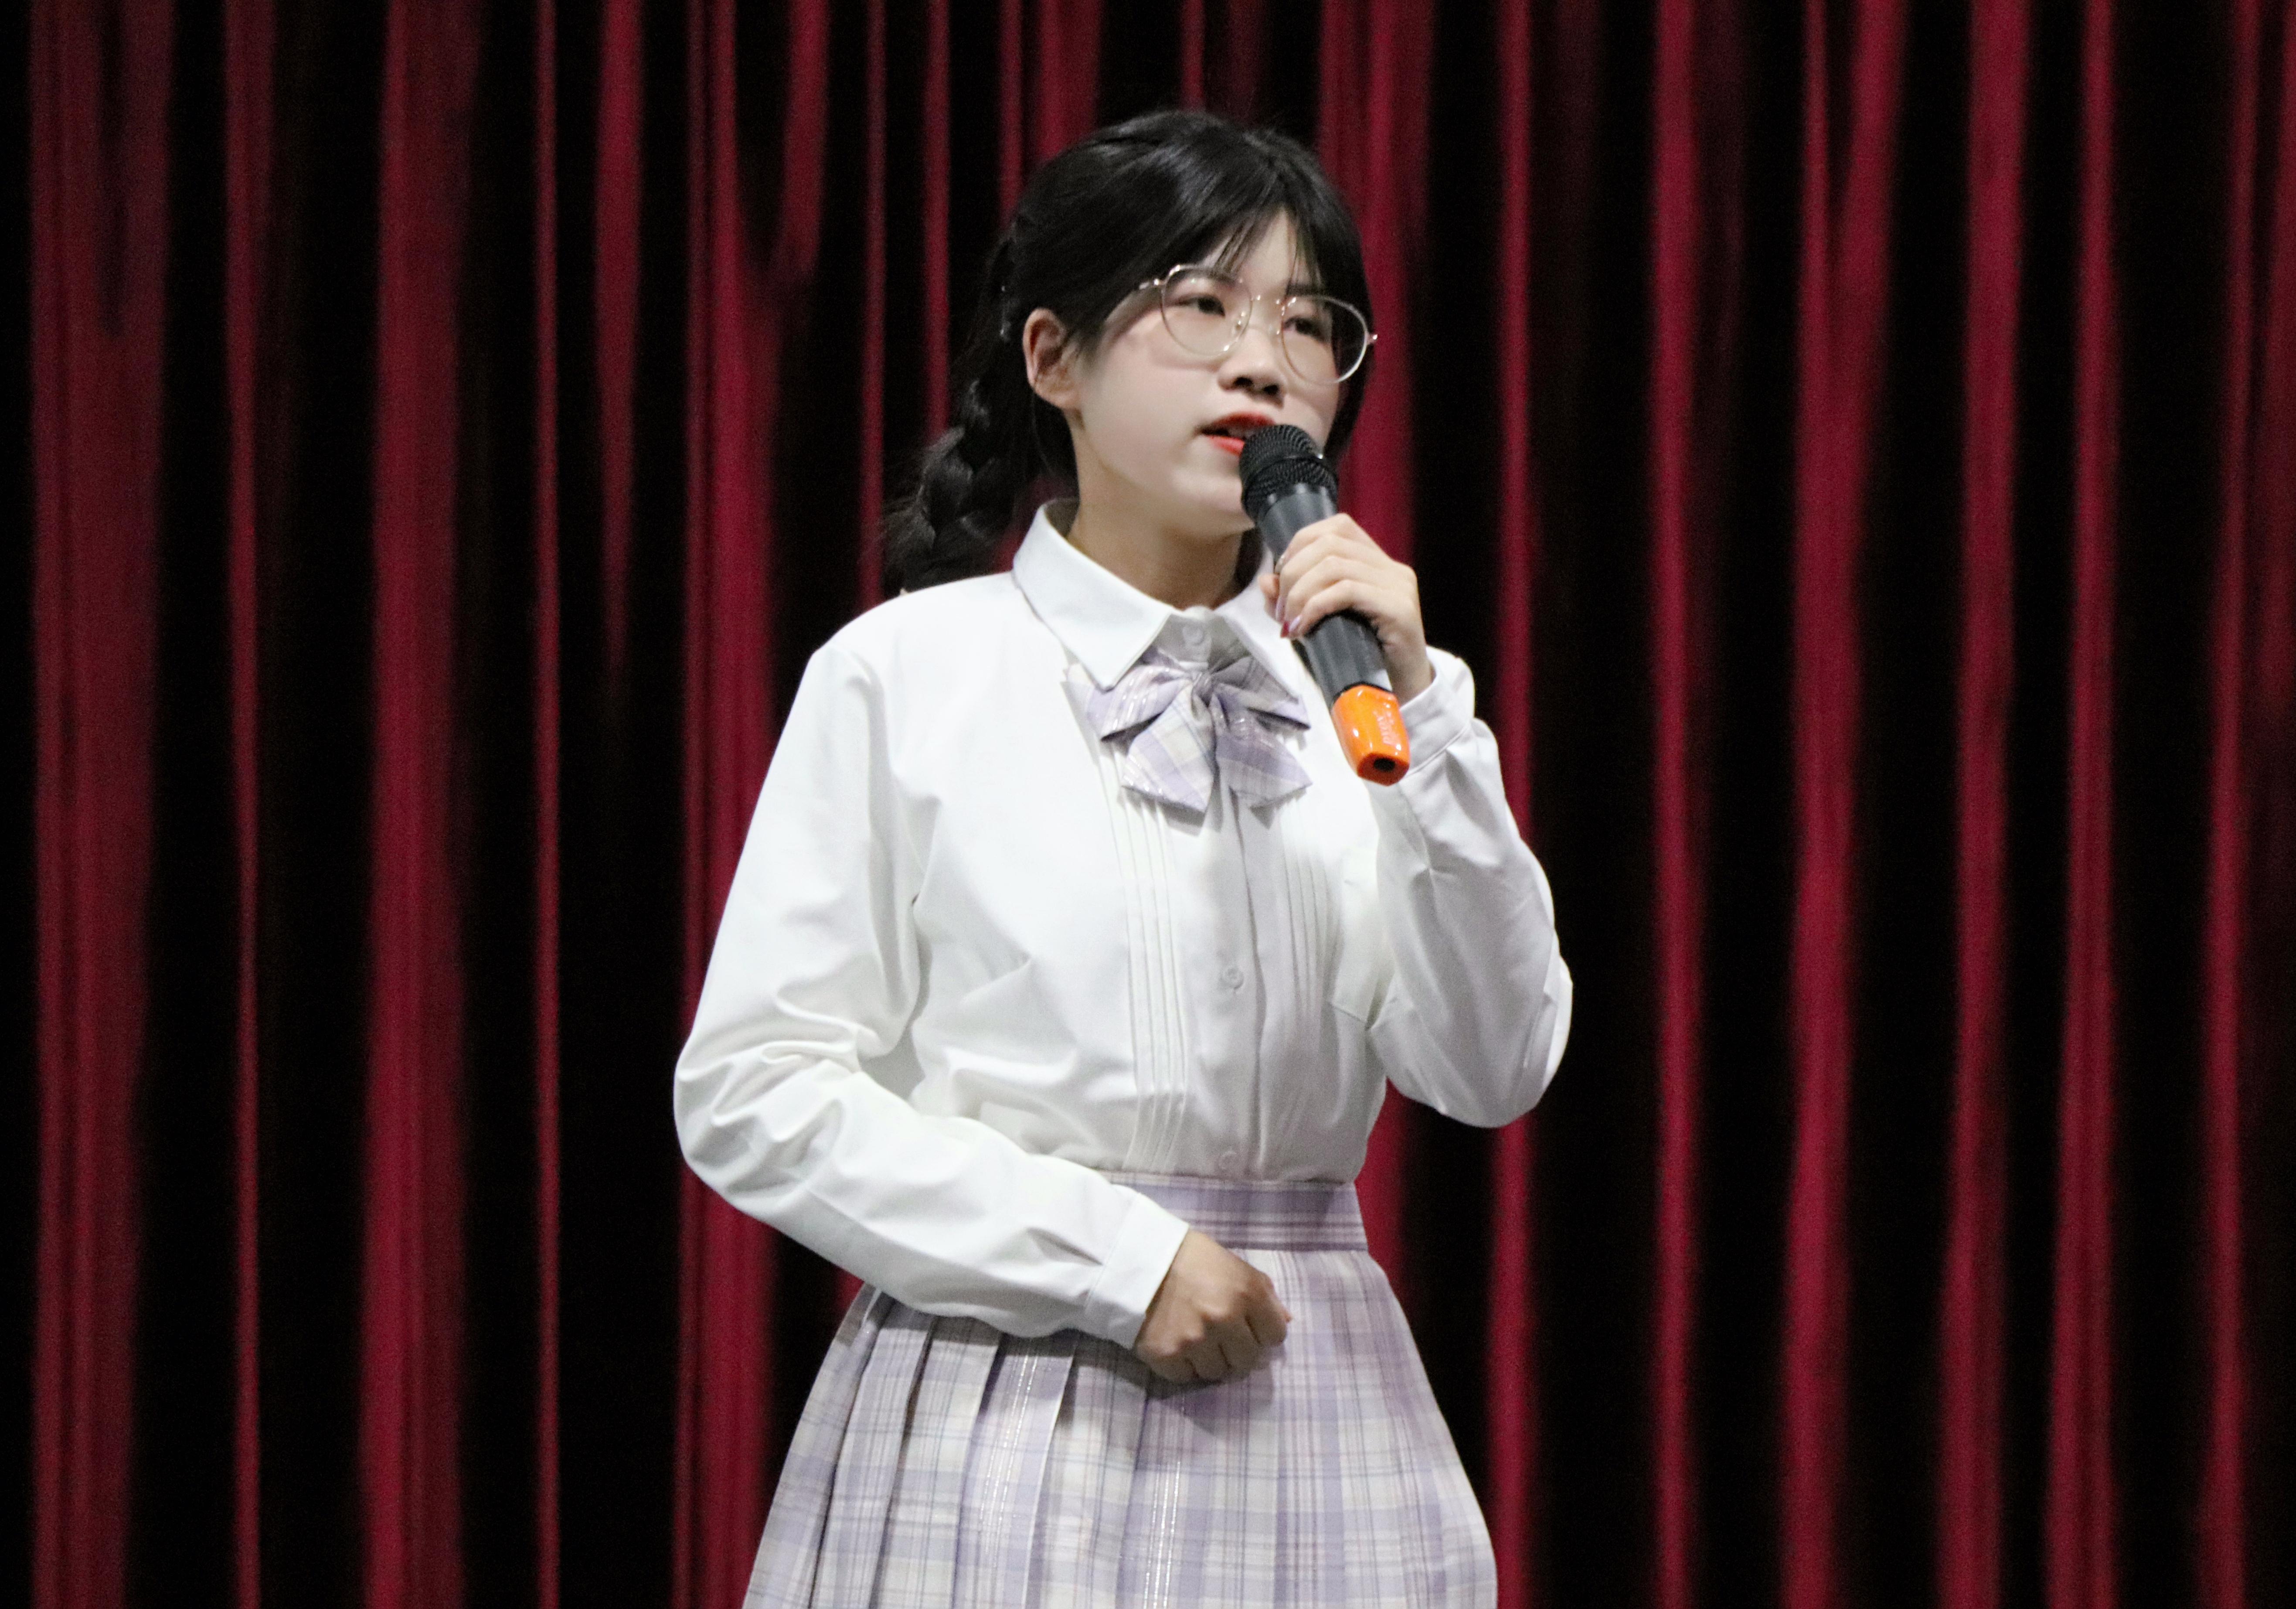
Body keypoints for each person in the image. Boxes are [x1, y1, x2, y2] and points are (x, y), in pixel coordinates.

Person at [675, 107, 1571, 1608]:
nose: (1262, 363)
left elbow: (1491, 1066)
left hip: (1312, 1389)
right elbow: (754, 1087)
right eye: (1199, 304)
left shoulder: (1375, 697)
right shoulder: (907, 673)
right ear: (1053, 359)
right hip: (1000, 1392)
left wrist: (1426, 723)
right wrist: (1117, 1259)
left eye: (1308, 323)